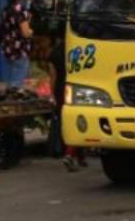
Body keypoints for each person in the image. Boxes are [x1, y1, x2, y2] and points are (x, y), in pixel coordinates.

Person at [46, 37, 87, 172]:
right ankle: (71, 154)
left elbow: (53, 76)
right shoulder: (80, 49)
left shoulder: (54, 53)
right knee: (80, 122)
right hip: (77, 89)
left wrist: (52, 94)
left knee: (67, 123)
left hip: (61, 91)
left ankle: (78, 155)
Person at [0, 0, 34, 87]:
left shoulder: (7, 8)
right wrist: (31, 31)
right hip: (19, 49)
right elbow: (25, 32)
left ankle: (8, 95)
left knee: (9, 80)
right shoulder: (21, 10)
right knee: (17, 82)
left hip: (7, 47)